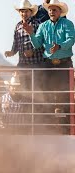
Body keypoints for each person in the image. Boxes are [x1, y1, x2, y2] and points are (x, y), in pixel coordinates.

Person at [23, 0, 74, 134]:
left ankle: (66, 128)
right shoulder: (43, 26)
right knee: (46, 94)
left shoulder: (67, 24)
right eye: (50, 10)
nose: (51, 12)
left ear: (60, 12)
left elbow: (71, 40)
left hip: (64, 64)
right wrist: (31, 34)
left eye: (54, 9)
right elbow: (37, 44)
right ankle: (48, 126)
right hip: (49, 64)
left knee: (64, 96)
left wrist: (59, 46)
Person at [5, 0, 44, 93]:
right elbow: (16, 44)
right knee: (24, 89)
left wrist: (33, 51)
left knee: (36, 89)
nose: (24, 13)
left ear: (31, 12)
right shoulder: (18, 26)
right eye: (22, 11)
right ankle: (26, 107)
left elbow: (43, 43)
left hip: (36, 63)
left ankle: (36, 107)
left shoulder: (37, 24)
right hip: (23, 64)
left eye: (26, 11)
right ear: (19, 12)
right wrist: (11, 52)